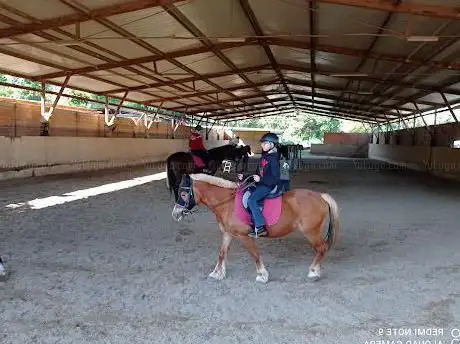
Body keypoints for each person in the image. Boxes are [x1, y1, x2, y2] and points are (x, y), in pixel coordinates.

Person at [238, 132, 281, 238]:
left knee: (251, 200)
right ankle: (252, 221)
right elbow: (257, 173)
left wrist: (260, 179)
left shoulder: (274, 159)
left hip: (267, 185)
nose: (262, 145)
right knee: (245, 192)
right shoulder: (265, 156)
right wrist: (244, 177)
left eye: (265, 143)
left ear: (272, 144)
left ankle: (261, 227)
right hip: (261, 183)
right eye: (262, 143)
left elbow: (275, 178)